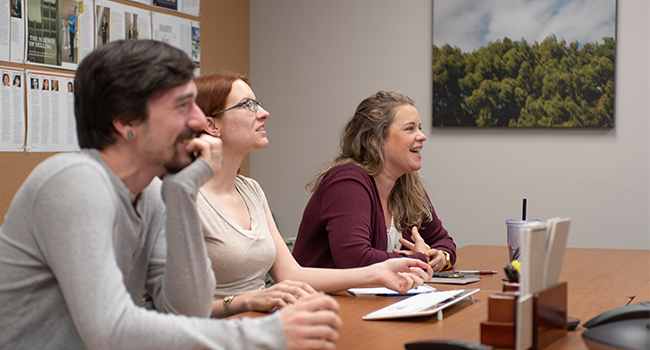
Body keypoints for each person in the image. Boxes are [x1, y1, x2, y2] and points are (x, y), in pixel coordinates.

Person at [0, 40, 341, 350]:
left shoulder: (151, 192)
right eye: (182, 106)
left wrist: (182, 195)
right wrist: (266, 334)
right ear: (126, 121)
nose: (198, 121)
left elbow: (186, 309)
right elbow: (110, 330)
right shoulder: (74, 183)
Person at [194, 72, 433, 318]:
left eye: (258, 104)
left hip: (263, 324)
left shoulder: (251, 190)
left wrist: (380, 271)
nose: (263, 114)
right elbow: (171, 311)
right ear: (212, 125)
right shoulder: (184, 198)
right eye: (247, 106)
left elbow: (292, 274)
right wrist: (247, 301)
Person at [292, 91, 457, 271]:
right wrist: (419, 260)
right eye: (410, 128)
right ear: (375, 140)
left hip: (374, 298)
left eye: (420, 128)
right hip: (321, 298)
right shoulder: (347, 183)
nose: (422, 136)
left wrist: (440, 257)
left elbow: (443, 241)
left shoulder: (407, 184)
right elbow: (355, 260)